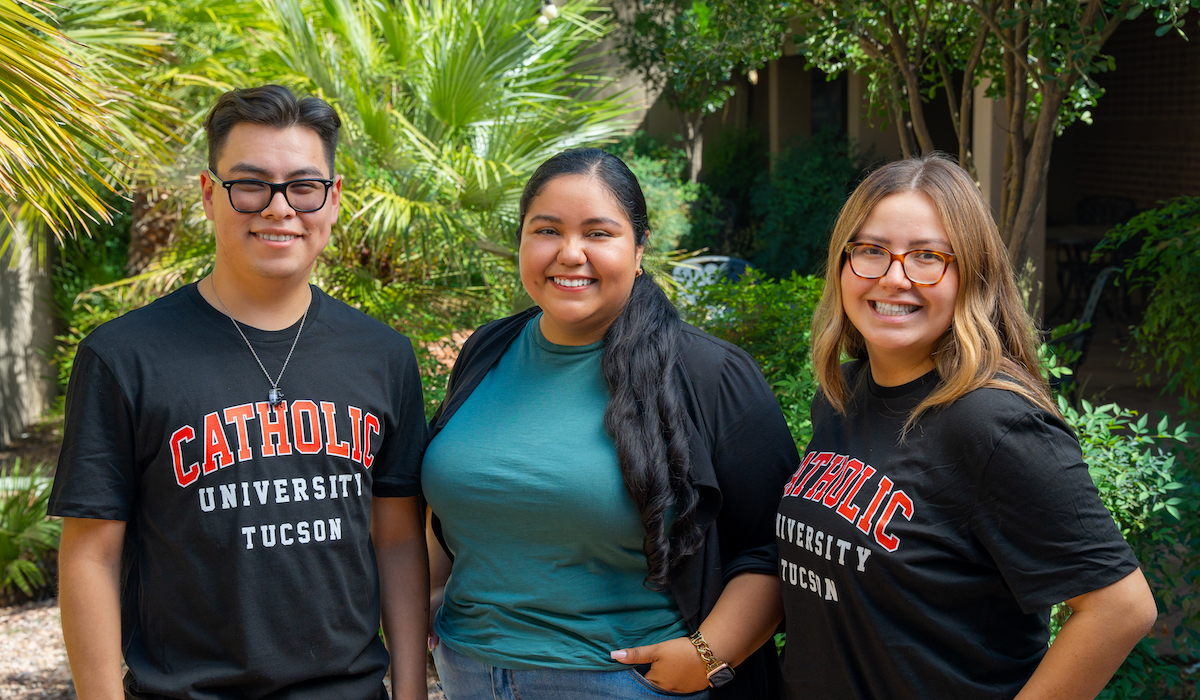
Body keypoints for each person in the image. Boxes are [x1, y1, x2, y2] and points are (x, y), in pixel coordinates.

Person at [50, 85, 430, 700]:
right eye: (250, 185)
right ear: (209, 193)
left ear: (332, 199)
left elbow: (397, 539)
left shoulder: (383, 356)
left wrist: (411, 690)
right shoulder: (124, 357)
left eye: (303, 187)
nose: (279, 209)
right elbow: (91, 554)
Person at [421, 148, 798, 700]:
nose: (570, 253)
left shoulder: (708, 373)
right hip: (470, 674)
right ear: (522, 241)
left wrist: (708, 656)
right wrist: (432, 592)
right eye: (546, 230)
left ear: (639, 248)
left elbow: (777, 544)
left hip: (624, 682)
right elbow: (455, 491)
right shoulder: (487, 350)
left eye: (599, 233)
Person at [776, 153, 1158, 699]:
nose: (894, 277)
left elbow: (1120, 608)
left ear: (971, 274)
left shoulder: (995, 423)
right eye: (871, 251)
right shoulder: (844, 394)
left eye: (928, 256)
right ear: (842, 264)